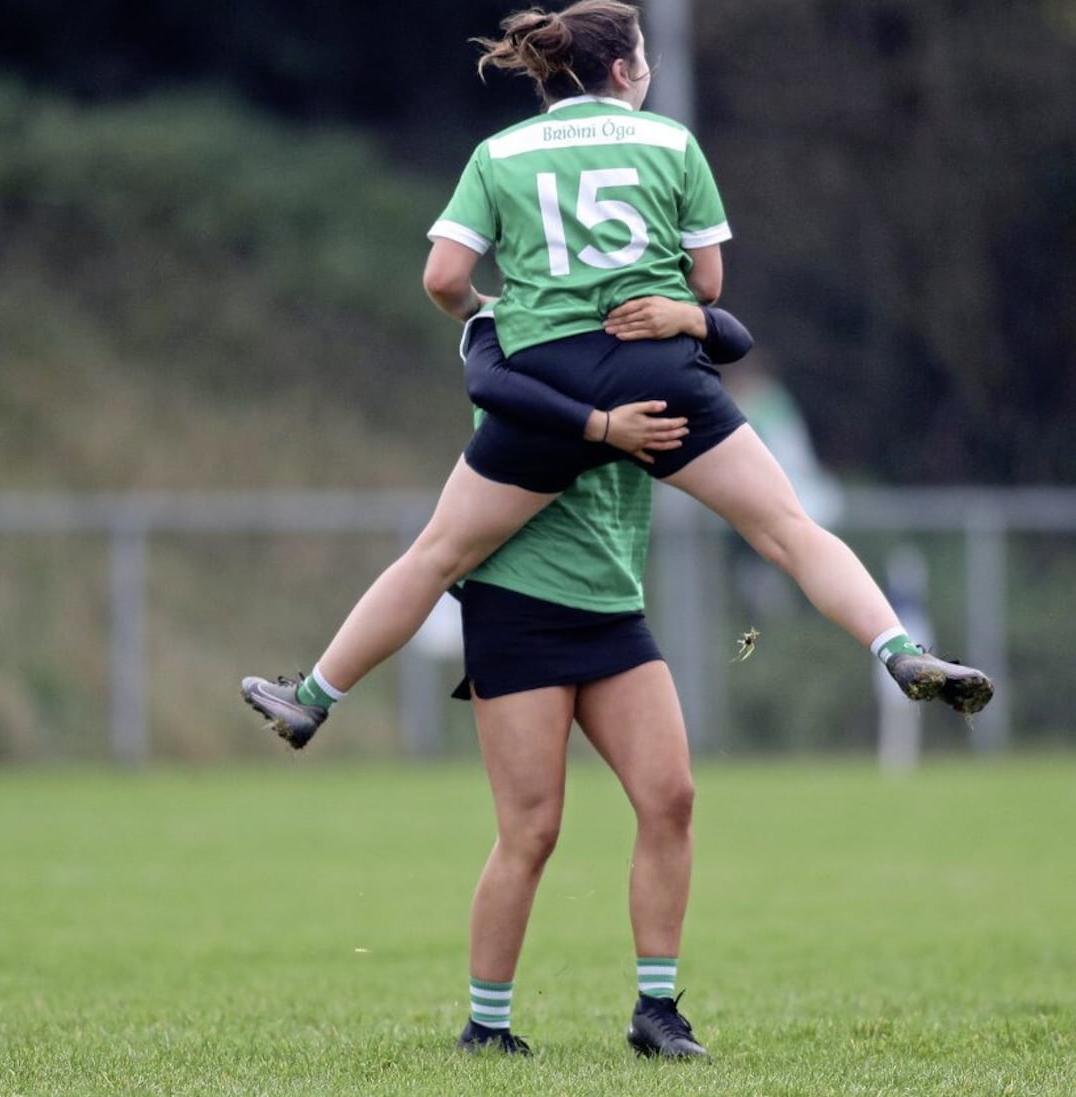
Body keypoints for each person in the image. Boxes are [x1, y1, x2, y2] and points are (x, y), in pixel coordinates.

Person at [242, 0, 990, 766]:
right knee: (787, 530)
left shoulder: (499, 152)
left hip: (547, 388)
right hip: (658, 372)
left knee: (436, 556)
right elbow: (707, 285)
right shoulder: (672, 141)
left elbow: (442, 278)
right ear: (625, 69)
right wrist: (675, 313)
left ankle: (313, 697)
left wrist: (484, 313)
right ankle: (899, 648)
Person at [447, 295, 751, 1059]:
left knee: (671, 795)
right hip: (518, 605)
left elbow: (731, 336)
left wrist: (689, 318)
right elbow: (485, 379)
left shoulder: (639, 328)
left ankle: (657, 1010)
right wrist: (604, 427)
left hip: (611, 608)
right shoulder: (510, 334)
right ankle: (486, 1026)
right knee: (532, 827)